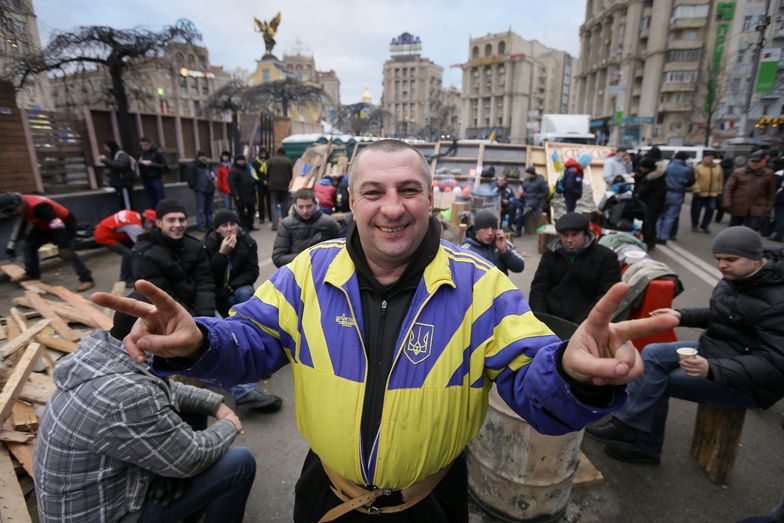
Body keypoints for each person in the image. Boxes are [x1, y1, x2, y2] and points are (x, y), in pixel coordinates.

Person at [94, 139, 676, 523]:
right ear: (352, 201)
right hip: (325, 492)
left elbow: (533, 383)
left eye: (408, 191)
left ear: (433, 202)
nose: (391, 208)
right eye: (374, 192)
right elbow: (250, 343)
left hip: (432, 504)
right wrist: (198, 340)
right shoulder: (308, 274)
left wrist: (576, 377)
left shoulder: (483, 287)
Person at [33, 306, 255, 523]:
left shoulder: (101, 353)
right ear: (159, 337)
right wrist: (228, 423)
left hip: (94, 500)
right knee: (240, 463)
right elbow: (192, 457)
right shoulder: (130, 397)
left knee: (189, 420)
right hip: (110, 515)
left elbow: (165, 389)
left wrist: (214, 404)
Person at [587, 226, 784, 464]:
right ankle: (628, 423)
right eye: (718, 259)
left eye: (730, 259)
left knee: (660, 382)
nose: (722, 266)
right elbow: (724, 315)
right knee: (652, 353)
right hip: (719, 349)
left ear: (755, 259)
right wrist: (680, 314)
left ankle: (646, 449)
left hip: (749, 382)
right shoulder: (740, 278)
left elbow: (775, 363)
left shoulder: (776, 301)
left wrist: (713, 369)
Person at [203, 209, 283, 412]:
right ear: (217, 229)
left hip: (232, 291)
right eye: (224, 225)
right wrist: (222, 254)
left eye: (233, 224)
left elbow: (252, 271)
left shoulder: (247, 242)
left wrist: (230, 287)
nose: (230, 229)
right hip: (212, 297)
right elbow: (207, 277)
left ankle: (255, 348)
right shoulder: (208, 245)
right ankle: (244, 386)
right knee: (218, 330)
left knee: (246, 293)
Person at [529, 212, 621, 323]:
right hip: (551, 319)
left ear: (585, 234)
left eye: (574, 235)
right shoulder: (551, 254)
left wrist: (581, 324)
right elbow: (539, 288)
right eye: (565, 235)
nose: (569, 240)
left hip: (588, 323)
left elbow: (606, 297)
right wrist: (541, 319)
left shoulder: (606, 258)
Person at [130, 199, 215, 317]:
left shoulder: (195, 246)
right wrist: (192, 320)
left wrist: (205, 316)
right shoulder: (144, 254)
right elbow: (160, 297)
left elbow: (205, 283)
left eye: (181, 220)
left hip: (199, 309)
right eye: (171, 220)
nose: (178, 225)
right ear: (159, 223)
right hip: (168, 315)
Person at [0, 192, 95, 291]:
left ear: (18, 203)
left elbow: (57, 225)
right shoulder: (21, 206)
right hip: (43, 225)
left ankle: (86, 279)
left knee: (68, 252)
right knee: (28, 246)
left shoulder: (40, 207)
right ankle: (32, 274)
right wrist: (13, 243)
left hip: (64, 225)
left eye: (12, 210)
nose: (13, 214)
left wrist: (63, 245)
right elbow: (21, 223)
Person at [271, 188, 341, 268]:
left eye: (309, 206)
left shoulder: (329, 223)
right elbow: (278, 257)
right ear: (294, 206)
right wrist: (308, 258)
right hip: (297, 273)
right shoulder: (286, 225)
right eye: (301, 207)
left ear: (315, 204)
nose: (305, 211)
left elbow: (342, 250)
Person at [94, 208, 156, 285]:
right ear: (149, 221)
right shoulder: (134, 226)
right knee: (129, 254)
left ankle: (131, 275)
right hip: (104, 236)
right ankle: (125, 279)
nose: (152, 227)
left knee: (130, 250)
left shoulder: (134, 215)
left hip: (108, 230)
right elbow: (141, 243)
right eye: (152, 224)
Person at [722, 151, 777, 231]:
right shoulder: (738, 172)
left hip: (757, 208)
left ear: (762, 162)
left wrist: (768, 207)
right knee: (733, 230)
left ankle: (747, 243)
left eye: (757, 161)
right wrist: (727, 202)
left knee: (751, 231)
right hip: (739, 205)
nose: (755, 163)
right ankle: (731, 243)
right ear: (748, 161)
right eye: (753, 161)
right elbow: (728, 188)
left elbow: (771, 193)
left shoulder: (768, 174)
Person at [461, 209, 524, 275]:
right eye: (485, 228)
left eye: (493, 228)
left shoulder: (502, 242)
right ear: (477, 230)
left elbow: (519, 267)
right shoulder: (465, 251)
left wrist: (504, 251)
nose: (490, 233)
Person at [656, 151, 694, 245]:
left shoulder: (667, 167)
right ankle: (664, 237)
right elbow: (690, 181)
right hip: (677, 193)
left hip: (664, 192)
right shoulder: (687, 170)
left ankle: (656, 234)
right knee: (671, 216)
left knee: (660, 215)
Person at [634, 156, 666, 251]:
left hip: (652, 204)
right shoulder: (657, 175)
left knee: (648, 223)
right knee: (652, 222)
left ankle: (648, 242)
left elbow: (642, 190)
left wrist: (636, 194)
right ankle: (651, 242)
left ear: (646, 168)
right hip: (656, 203)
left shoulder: (651, 178)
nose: (640, 169)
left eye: (642, 167)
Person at [99, 139, 137, 211]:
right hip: (119, 185)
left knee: (127, 204)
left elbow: (121, 166)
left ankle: (129, 218)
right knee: (123, 204)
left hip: (124, 185)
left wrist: (105, 160)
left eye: (106, 147)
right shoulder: (114, 156)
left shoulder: (121, 155)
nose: (105, 149)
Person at [690, 150, 722, 234]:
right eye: (708, 157)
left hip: (712, 193)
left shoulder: (717, 167)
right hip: (700, 192)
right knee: (696, 210)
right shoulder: (698, 167)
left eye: (712, 157)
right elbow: (694, 180)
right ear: (703, 158)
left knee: (710, 209)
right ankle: (695, 224)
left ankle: (705, 225)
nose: (710, 159)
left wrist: (719, 190)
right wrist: (696, 189)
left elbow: (720, 180)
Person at [186, 150, 216, 231]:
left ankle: (210, 224)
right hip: (200, 190)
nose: (204, 158)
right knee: (200, 209)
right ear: (198, 157)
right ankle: (201, 225)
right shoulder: (193, 166)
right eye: (202, 156)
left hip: (210, 189)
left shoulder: (207, 165)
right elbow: (190, 179)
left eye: (205, 156)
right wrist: (196, 188)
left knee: (209, 209)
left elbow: (211, 176)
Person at [515, 165, 548, 236]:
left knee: (522, 211)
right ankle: (522, 208)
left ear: (532, 173)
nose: (526, 175)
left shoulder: (540, 181)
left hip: (535, 201)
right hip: (525, 199)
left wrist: (536, 196)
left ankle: (518, 231)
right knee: (512, 200)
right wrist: (521, 193)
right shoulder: (526, 180)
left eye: (528, 173)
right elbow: (523, 189)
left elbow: (545, 192)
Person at [266, 147, 293, 230]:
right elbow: (291, 174)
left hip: (273, 186)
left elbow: (267, 173)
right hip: (284, 185)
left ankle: (275, 225)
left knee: (274, 204)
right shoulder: (288, 161)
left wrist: (269, 181)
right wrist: (287, 181)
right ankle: (285, 224)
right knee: (285, 204)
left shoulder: (270, 161)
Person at [228, 155, 257, 231]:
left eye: (243, 160)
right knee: (241, 212)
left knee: (251, 211)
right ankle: (244, 226)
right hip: (240, 195)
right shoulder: (233, 171)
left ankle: (250, 225)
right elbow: (232, 184)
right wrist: (236, 194)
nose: (242, 162)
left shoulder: (247, 168)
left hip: (250, 194)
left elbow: (252, 178)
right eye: (240, 160)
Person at [137, 137, 167, 210]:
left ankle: (162, 213)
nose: (144, 147)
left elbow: (164, 166)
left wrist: (151, 164)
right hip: (145, 179)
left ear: (150, 144)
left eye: (146, 145)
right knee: (151, 200)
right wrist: (140, 163)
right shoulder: (141, 153)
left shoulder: (156, 153)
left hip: (156, 179)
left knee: (160, 199)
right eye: (142, 145)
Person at [251, 149, 270, 224]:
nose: (263, 154)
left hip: (269, 184)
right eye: (262, 153)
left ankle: (270, 217)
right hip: (260, 184)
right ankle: (261, 218)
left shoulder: (269, 161)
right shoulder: (255, 162)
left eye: (264, 153)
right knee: (261, 202)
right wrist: (260, 181)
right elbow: (253, 173)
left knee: (269, 201)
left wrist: (268, 180)